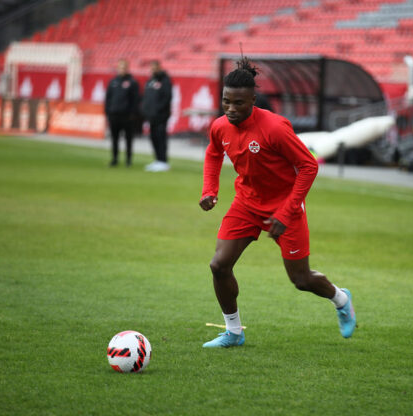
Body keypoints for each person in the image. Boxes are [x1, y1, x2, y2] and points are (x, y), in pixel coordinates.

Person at [199, 57, 356, 348]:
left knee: (301, 279)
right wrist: (210, 190)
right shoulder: (220, 126)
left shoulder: (275, 128)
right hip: (246, 203)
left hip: (286, 207)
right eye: (226, 102)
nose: (231, 109)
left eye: (239, 103)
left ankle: (341, 299)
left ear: (254, 100)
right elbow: (212, 153)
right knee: (219, 265)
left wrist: (286, 211)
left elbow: (309, 167)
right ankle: (234, 333)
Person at [104, 59, 140, 167]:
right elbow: (108, 98)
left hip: (127, 116)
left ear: (127, 68)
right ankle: (114, 159)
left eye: (124, 67)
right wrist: (108, 112)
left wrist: (132, 114)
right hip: (114, 115)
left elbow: (136, 99)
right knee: (114, 138)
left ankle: (128, 160)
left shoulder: (132, 82)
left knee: (128, 139)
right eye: (120, 67)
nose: (122, 69)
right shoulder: (113, 81)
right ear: (117, 68)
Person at [142, 60, 172, 172]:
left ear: (159, 67)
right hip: (151, 116)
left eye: (155, 67)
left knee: (161, 137)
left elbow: (167, 97)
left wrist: (158, 110)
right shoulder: (150, 80)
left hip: (161, 115)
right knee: (153, 137)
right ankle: (157, 160)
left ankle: (163, 161)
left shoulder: (165, 80)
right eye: (152, 67)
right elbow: (146, 97)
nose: (153, 69)